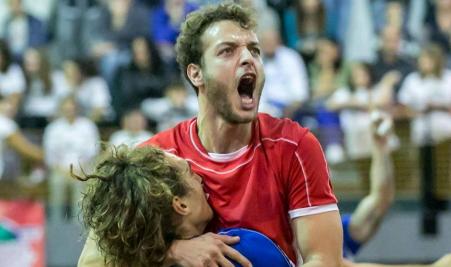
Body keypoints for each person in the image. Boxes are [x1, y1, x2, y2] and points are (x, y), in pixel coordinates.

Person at [79, 3, 343, 267]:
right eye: (227, 51)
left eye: (254, 50)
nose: (247, 58)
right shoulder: (157, 159)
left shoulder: (294, 146)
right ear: (195, 73)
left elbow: (324, 259)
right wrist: (173, 251)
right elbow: (90, 262)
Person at [76, 144, 294, 267]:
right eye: (190, 173)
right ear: (180, 205)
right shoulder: (242, 249)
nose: (200, 178)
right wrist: (171, 252)